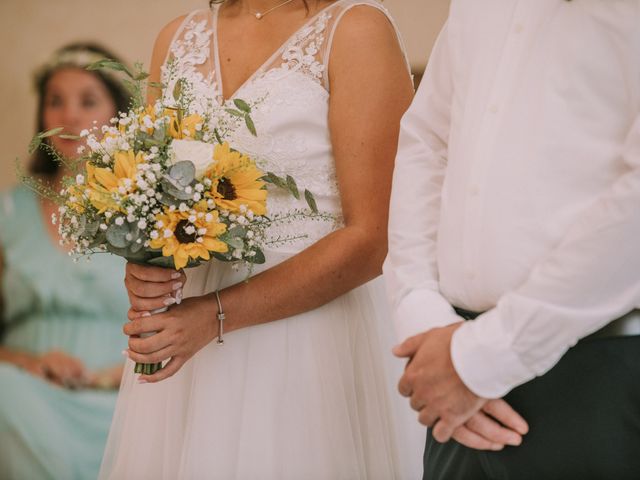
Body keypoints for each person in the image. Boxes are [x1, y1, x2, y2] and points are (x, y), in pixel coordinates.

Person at [99, 0, 423, 478]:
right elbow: (157, 196)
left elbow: (374, 237)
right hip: (186, 349)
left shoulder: (355, 30)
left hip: (304, 338)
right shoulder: (176, 37)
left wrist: (214, 315)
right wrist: (146, 265)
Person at [385, 1, 640, 479]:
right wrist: (421, 310)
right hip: (451, 364)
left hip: (598, 372)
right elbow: (429, 139)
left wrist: (487, 356)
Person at [0, 43, 131, 479]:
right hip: (22, 398)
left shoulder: (153, 213)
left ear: (118, 116)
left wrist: (130, 373)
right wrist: (24, 364)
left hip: (125, 400)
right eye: (55, 101)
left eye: (87, 101)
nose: (69, 117)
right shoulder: (9, 212)